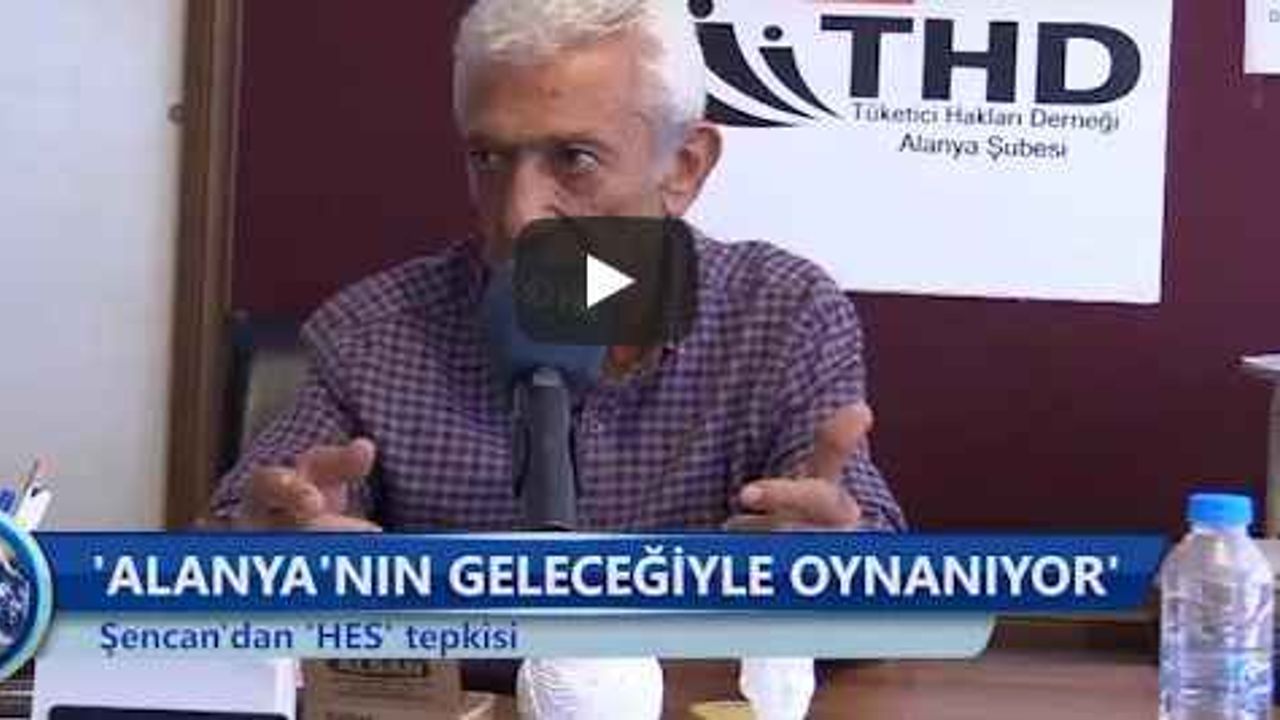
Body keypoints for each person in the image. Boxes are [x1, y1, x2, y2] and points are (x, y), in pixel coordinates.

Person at [208, 0, 904, 534]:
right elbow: (237, 533)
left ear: (684, 168)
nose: (519, 217)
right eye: (489, 158)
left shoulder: (782, 318)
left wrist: (837, 565)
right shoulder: (373, 336)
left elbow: (863, 550)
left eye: (574, 159)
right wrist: (262, 550)